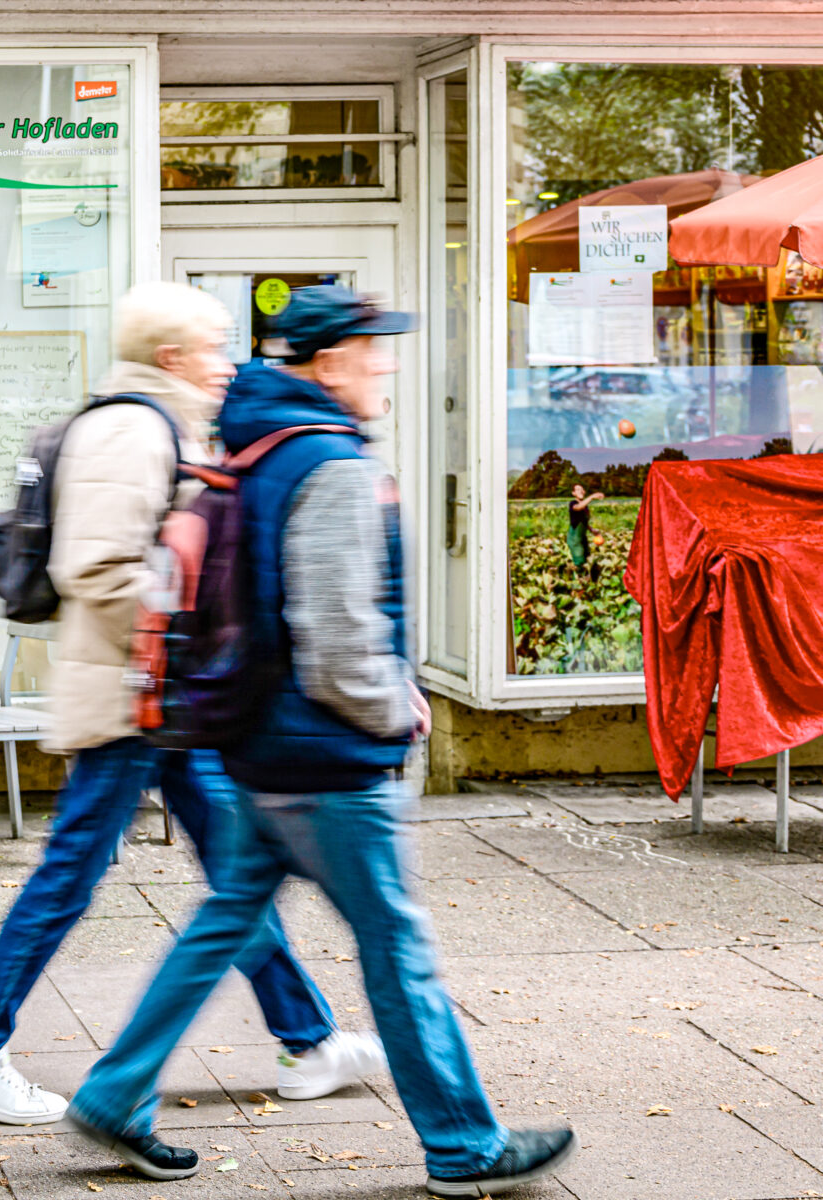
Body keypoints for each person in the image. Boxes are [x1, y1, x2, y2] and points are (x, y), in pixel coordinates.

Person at [66, 286, 576, 1196]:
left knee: (223, 920)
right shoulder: (332, 463)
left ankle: (113, 1092)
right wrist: (398, 709)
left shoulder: (254, 446)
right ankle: (464, 1146)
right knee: (396, 946)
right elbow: (340, 642)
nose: (385, 366)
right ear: (331, 361)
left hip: (257, 744)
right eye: (374, 350)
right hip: (329, 759)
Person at [0, 281, 386, 1126]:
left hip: (165, 705)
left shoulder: (161, 424)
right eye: (214, 347)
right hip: (131, 703)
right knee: (71, 877)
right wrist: (199, 601)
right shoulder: (132, 429)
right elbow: (92, 569)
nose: (228, 364)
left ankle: (309, 1039)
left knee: (235, 870)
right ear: (171, 356)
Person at [567, 482, 602, 573]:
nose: (581, 491)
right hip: (574, 539)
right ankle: (576, 581)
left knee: (587, 558)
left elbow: (584, 522)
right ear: (573, 493)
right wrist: (592, 497)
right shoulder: (573, 503)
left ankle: (587, 579)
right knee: (579, 562)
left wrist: (592, 530)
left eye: (582, 490)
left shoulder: (585, 507)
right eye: (578, 490)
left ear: (584, 492)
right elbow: (578, 507)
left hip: (582, 538)